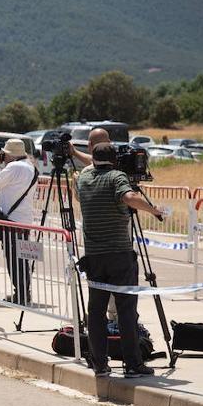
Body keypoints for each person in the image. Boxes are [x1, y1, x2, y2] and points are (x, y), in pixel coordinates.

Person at [76, 142, 165, 378]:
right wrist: (154, 210)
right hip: (119, 254)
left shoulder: (83, 180)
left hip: (94, 256)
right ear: (114, 159)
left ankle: (99, 363)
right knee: (126, 311)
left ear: (93, 157)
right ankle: (133, 364)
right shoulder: (116, 177)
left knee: (96, 311)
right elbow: (128, 197)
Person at [0, 138, 39, 305]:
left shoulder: (15, 167)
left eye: (5, 154)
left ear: (10, 155)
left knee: (14, 260)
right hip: (23, 220)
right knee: (21, 259)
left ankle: (21, 295)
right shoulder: (30, 166)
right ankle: (23, 293)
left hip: (12, 221)